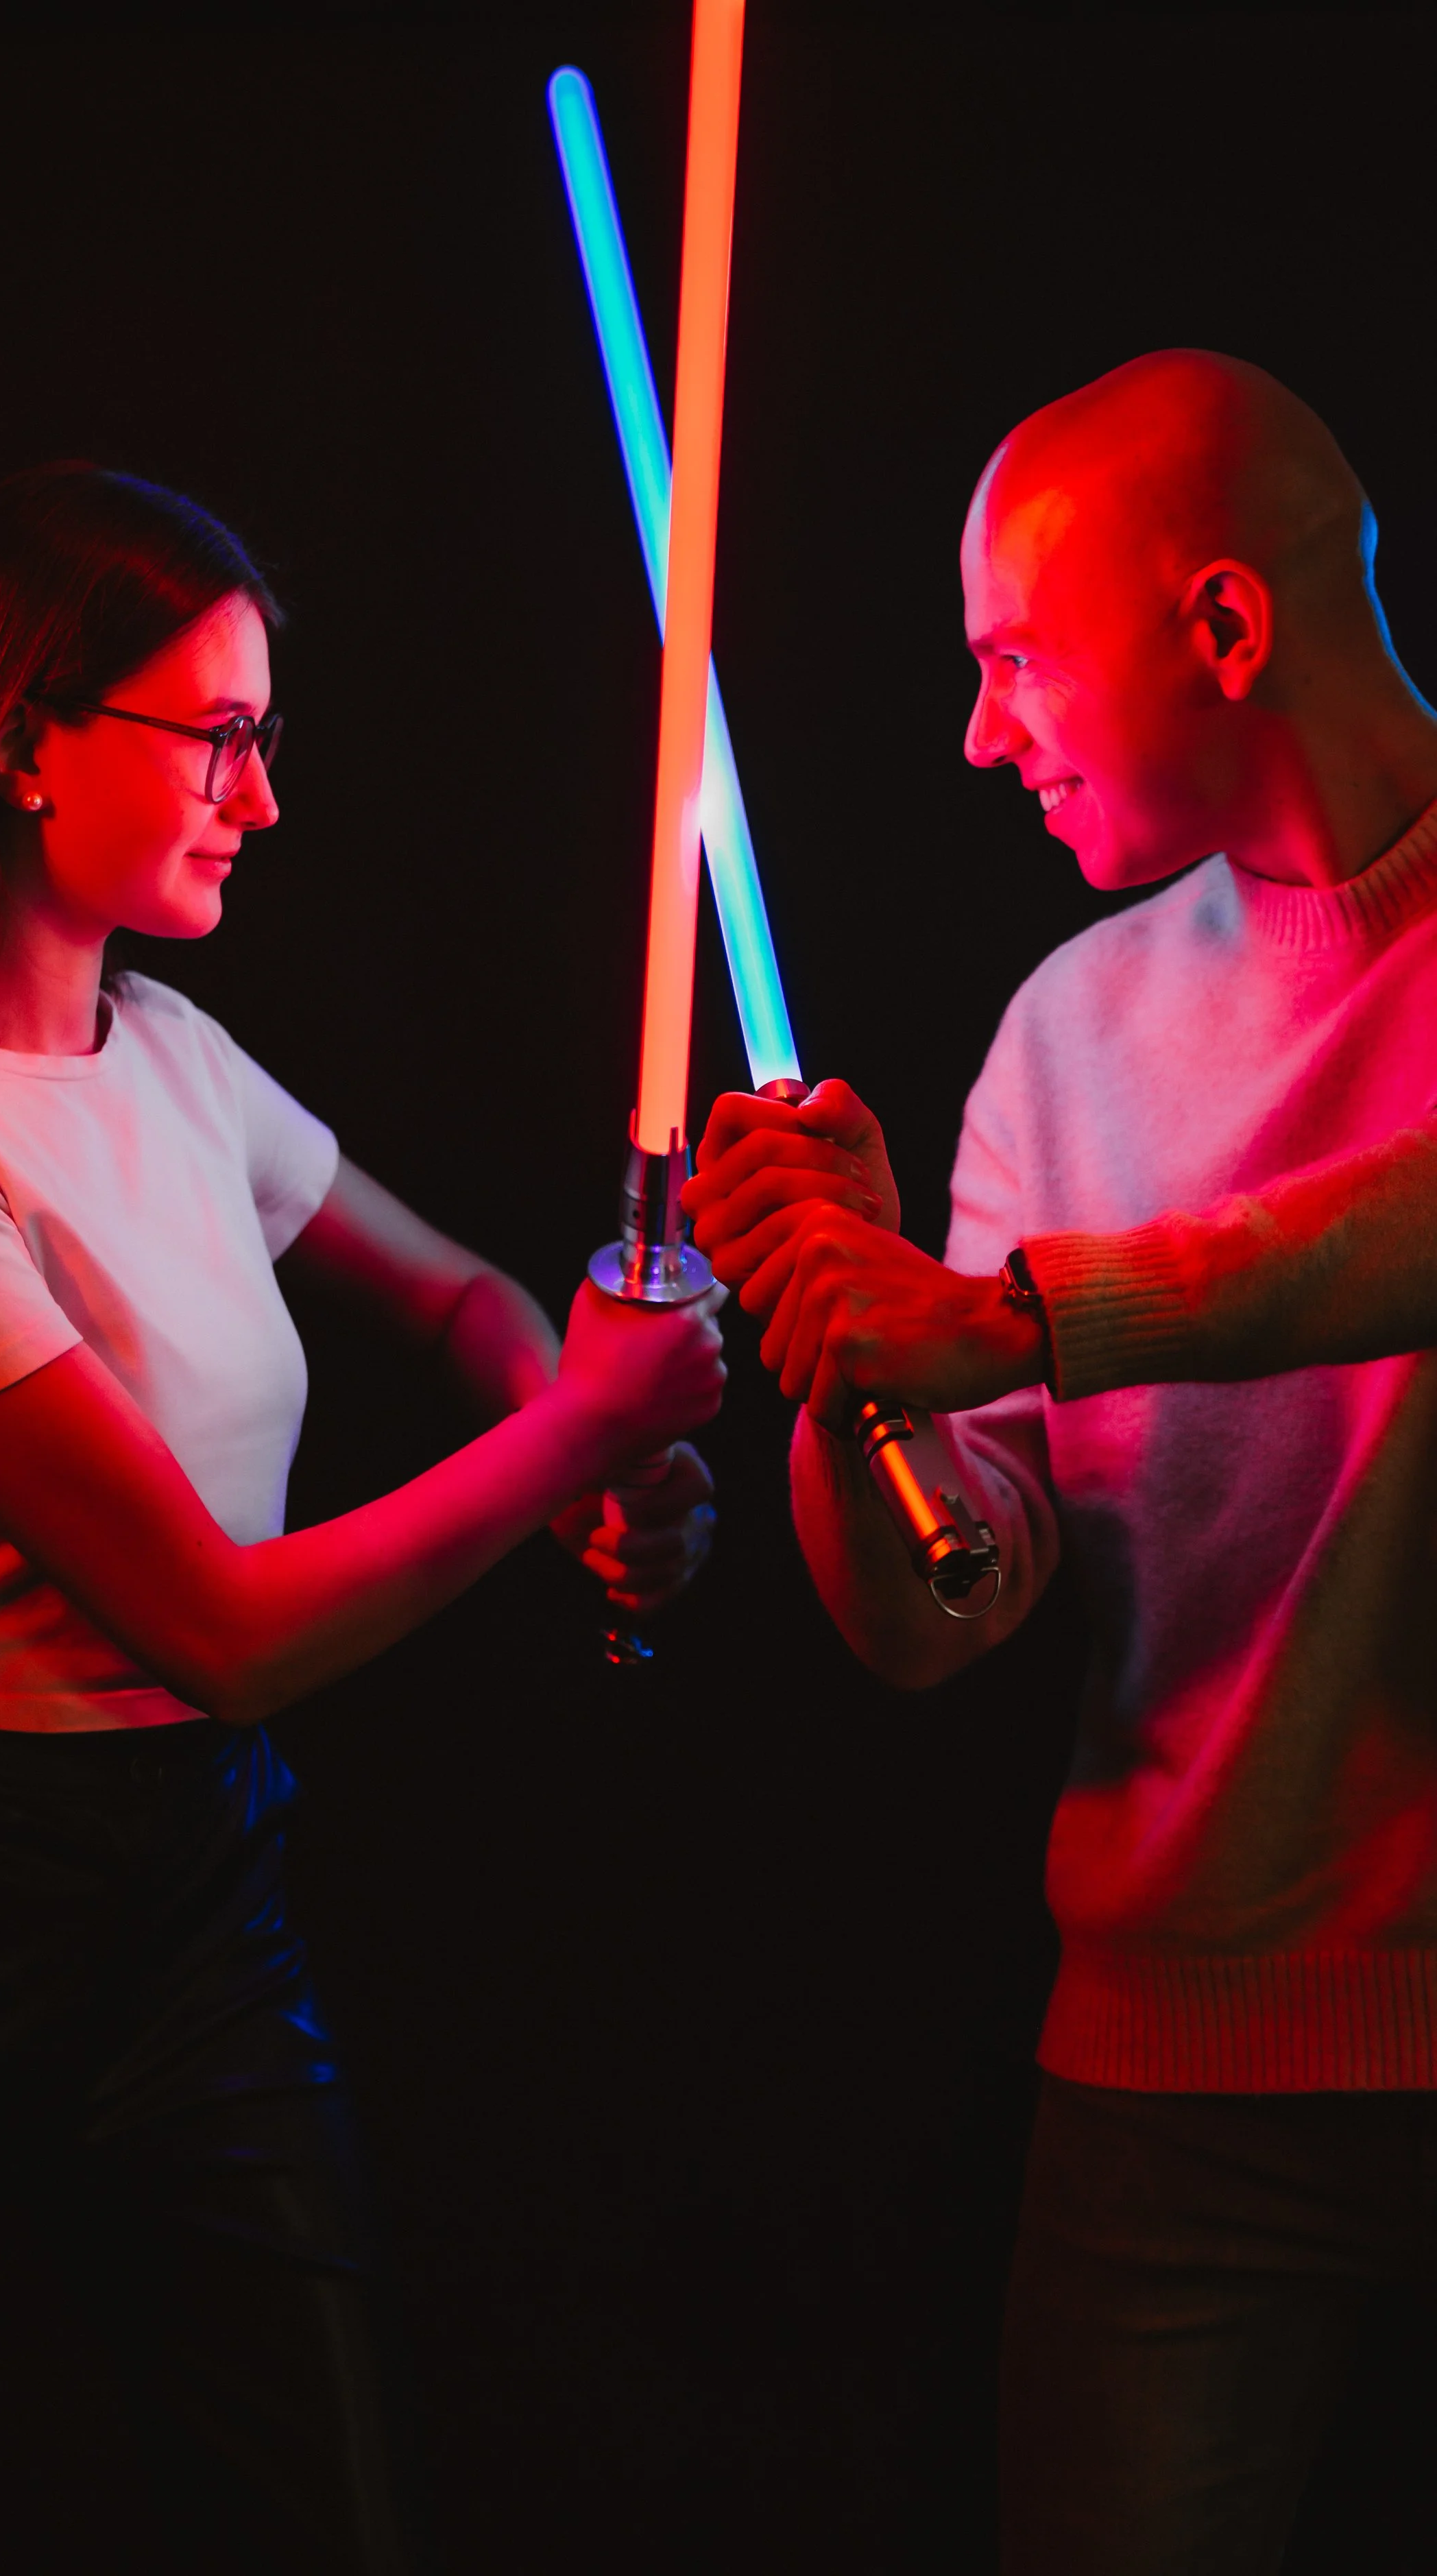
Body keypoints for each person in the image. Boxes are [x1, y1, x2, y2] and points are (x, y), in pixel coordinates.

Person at [0, 461, 726, 2573]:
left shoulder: (172, 1054)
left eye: (265, 737)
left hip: (199, 1896)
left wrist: (586, 1436)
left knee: (329, 2513)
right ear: (22, 737)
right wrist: (577, 1438)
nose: (260, 799)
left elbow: (456, 1300)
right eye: (218, 736)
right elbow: (222, 1625)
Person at [681, 351, 1437, 2573]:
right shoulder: (1065, 1025)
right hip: (1173, 2073)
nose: (976, 733)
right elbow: (948, 1613)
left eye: (1013, 657)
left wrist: (1013, 1311)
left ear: (1222, 625)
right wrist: (849, 1352)